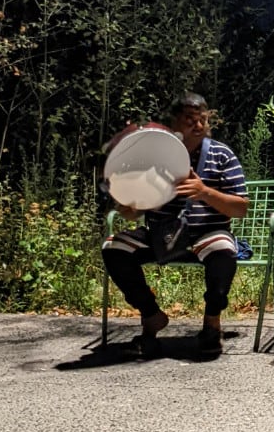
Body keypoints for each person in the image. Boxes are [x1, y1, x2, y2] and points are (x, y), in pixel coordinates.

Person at [102, 92, 249, 358]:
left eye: (203, 119)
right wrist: (130, 207)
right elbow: (139, 207)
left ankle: (212, 323)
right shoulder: (153, 155)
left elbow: (240, 208)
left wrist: (205, 192)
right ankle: (151, 315)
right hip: (161, 233)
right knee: (114, 248)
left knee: (223, 251)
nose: (199, 126)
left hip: (207, 232)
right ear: (173, 125)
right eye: (191, 120)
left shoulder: (221, 154)